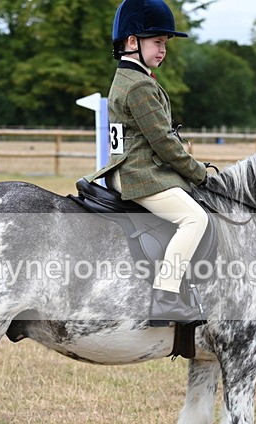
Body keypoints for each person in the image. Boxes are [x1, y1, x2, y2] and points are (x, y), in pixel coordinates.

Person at [86, 0, 209, 326]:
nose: (163, 49)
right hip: (139, 174)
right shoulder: (140, 85)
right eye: (156, 41)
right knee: (195, 218)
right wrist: (199, 173)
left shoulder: (129, 78)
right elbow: (164, 144)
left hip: (128, 168)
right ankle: (166, 296)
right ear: (131, 42)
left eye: (165, 43)